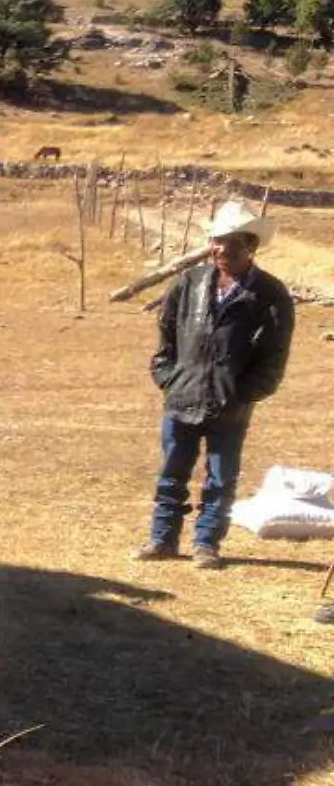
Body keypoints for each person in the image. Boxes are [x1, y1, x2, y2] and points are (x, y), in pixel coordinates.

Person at [137, 201, 294, 570]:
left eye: (229, 243)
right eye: (216, 241)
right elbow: (167, 337)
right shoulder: (189, 284)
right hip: (182, 395)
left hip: (230, 406)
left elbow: (273, 358)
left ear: (249, 247)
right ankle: (162, 539)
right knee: (171, 473)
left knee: (221, 479)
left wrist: (242, 395)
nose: (220, 249)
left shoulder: (271, 295)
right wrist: (168, 377)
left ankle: (207, 543)